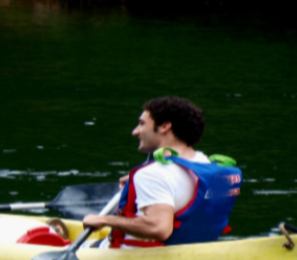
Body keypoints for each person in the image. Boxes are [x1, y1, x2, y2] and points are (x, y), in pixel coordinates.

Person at [82, 97, 241, 248]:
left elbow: (159, 228)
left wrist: (105, 220)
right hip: (194, 253)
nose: (135, 132)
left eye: (142, 124)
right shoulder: (210, 167)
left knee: (67, 241)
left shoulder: (153, 174)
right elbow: (183, 193)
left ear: (165, 126)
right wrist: (136, 186)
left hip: (137, 258)